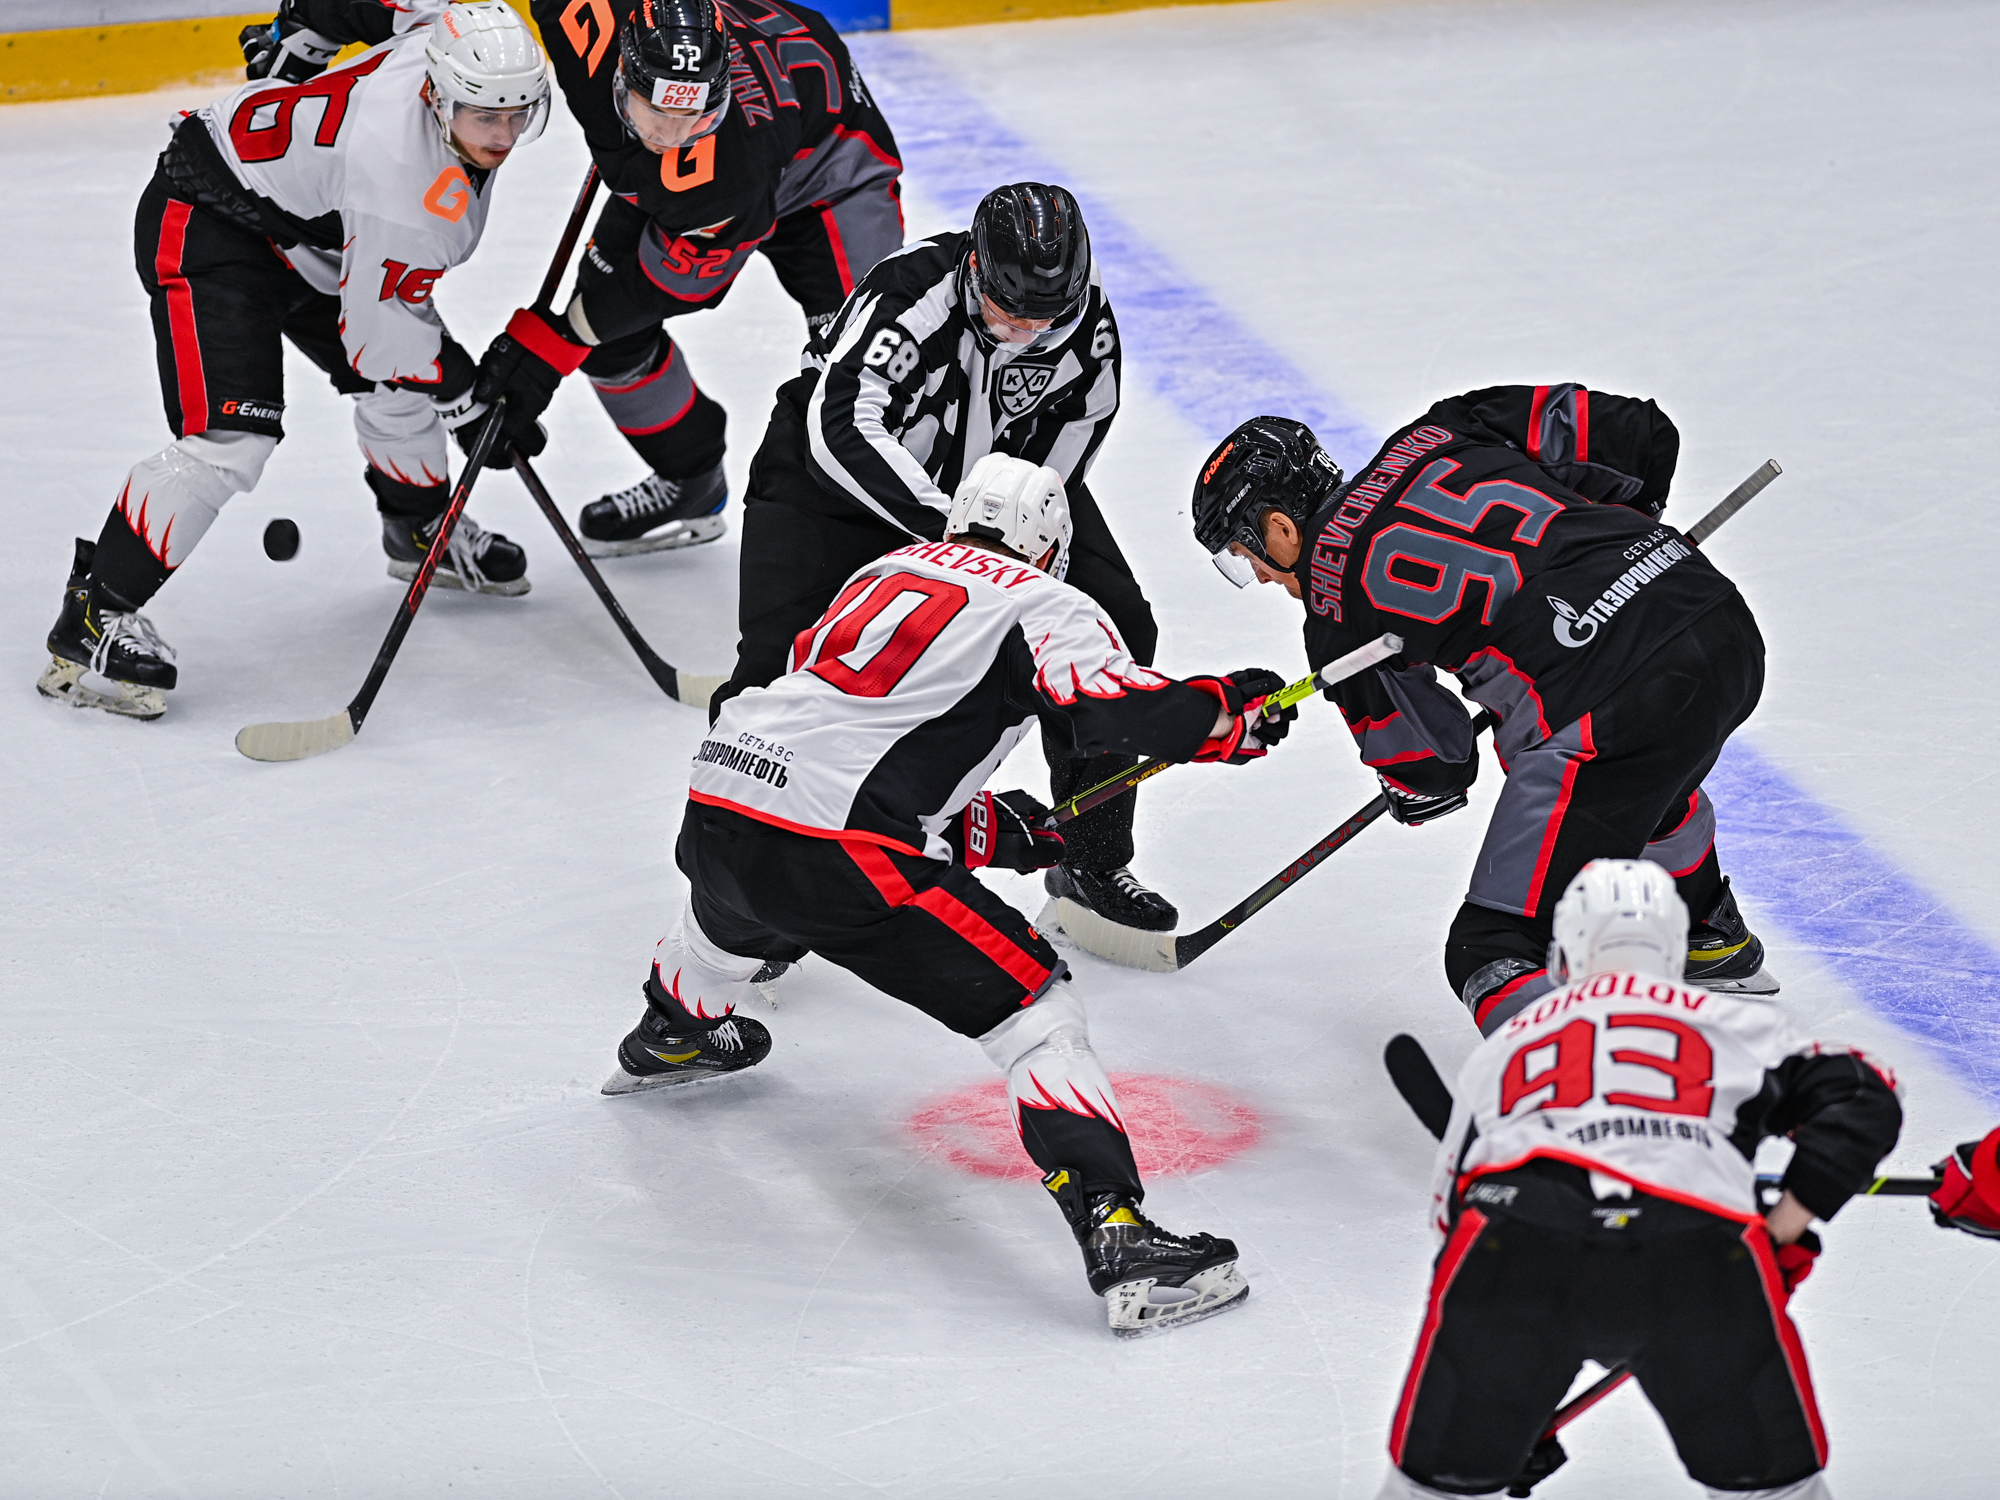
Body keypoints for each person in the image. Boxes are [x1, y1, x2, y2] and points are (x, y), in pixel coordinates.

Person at [599, 453, 1296, 1334]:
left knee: (734, 918)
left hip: (722, 803)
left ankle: (672, 1029)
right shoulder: (1045, 600)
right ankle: (1120, 1238)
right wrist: (1224, 711)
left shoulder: (884, 570)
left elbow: (862, 745)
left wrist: (1011, 834)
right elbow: (1112, 709)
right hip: (839, 846)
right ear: (1053, 540)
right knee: (1036, 1010)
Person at [1192, 385, 1775, 1035]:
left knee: (1489, 951)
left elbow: (1435, 764)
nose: (1264, 579)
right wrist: (1611, 556)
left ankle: (1575, 1116)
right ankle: (1708, 932)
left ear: (1278, 527)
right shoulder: (1441, 428)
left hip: (1616, 707)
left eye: (1246, 559)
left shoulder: (1332, 604)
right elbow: (1637, 432)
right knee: (1643, 778)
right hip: (1715, 618)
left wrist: (1409, 788)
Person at [690, 179, 1184, 938]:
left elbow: (1065, 454)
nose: (1023, 329)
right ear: (974, 270)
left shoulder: (1087, 328)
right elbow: (843, 425)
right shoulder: (911, 294)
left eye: (1043, 315)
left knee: (1115, 625)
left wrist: (1014, 562)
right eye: (1006, 308)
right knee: (776, 672)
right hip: (835, 487)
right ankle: (743, 904)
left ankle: (1088, 852)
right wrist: (942, 534)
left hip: (996, 495)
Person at [37, 0, 551, 721]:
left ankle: (417, 527)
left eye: (517, 114)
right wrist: (468, 398)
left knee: (396, 382)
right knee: (233, 438)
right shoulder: (408, 191)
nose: (502, 135)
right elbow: (380, 336)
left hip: (308, 232)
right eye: (483, 117)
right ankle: (95, 615)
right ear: (437, 94)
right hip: (209, 217)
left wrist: (296, 40)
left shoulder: (450, 34)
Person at [1377, 858, 1903, 1500]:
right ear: (1675, 946)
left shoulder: (1510, 1042)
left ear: (1563, 953)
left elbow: (1451, 1212)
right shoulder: (1740, 1026)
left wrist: (1507, 1384)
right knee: (1772, 1492)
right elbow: (1865, 1097)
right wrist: (1784, 1225)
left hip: (1514, 1247)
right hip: (1699, 1250)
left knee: (1435, 1492)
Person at [477, 0, 901, 556]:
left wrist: (552, 348)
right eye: (655, 113)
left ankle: (884, 535)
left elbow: (674, 284)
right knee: (613, 342)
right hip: (723, 159)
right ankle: (692, 478)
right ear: (621, 68)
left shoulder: (720, 176)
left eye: (692, 115)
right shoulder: (583, 23)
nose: (669, 135)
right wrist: (562, 342)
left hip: (831, 180)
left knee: (857, 371)